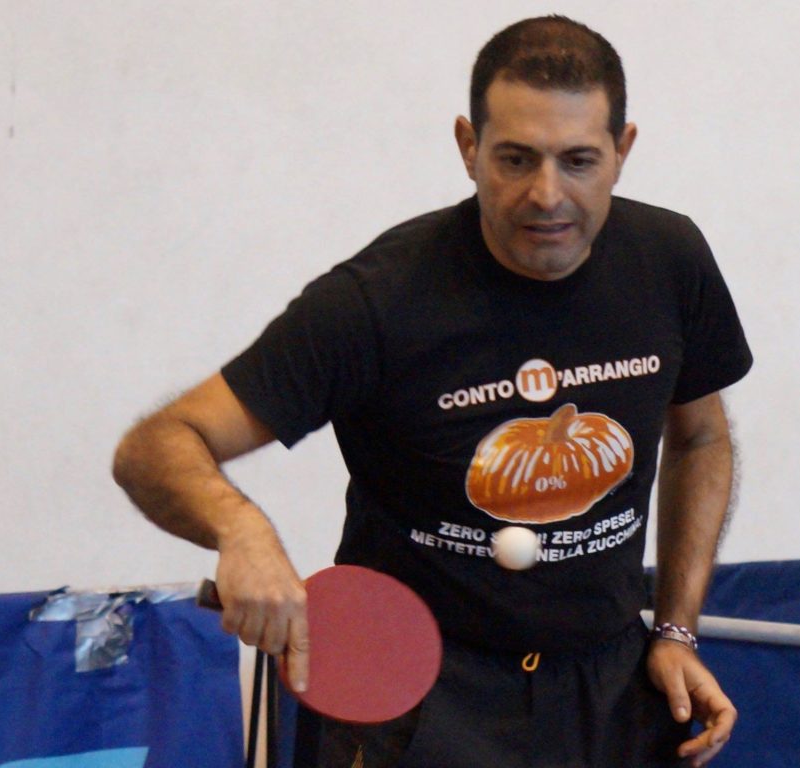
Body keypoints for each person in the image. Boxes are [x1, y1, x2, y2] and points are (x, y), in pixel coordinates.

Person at [114, 15, 751, 768]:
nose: (547, 194)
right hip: (414, 697)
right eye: (515, 159)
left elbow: (701, 437)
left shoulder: (670, 262)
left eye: (578, 160)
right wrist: (242, 533)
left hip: (608, 687)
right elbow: (155, 446)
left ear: (623, 151)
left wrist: (675, 630)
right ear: (468, 146)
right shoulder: (378, 302)